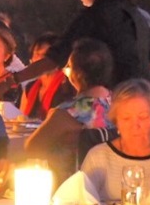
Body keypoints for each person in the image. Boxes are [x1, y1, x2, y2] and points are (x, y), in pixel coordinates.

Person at [0, 0, 150, 99]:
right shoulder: (136, 15)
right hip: (146, 98)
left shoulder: (93, 16)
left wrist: (11, 81)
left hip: (115, 102)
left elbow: (54, 59)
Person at [25, 38, 113, 178]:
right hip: (114, 183)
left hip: (71, 187)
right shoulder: (123, 107)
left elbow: (32, 148)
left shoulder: (66, 113)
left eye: (68, 68)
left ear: (76, 74)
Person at [19, 33, 74, 120]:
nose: (40, 59)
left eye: (45, 56)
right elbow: (21, 119)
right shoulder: (30, 88)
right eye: (37, 54)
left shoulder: (67, 86)